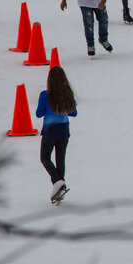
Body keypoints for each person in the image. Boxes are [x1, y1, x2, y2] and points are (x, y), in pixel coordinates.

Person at [36, 66, 78, 204]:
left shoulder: (45, 95)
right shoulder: (68, 94)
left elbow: (39, 113)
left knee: (45, 158)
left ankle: (58, 182)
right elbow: (73, 113)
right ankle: (61, 188)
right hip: (64, 130)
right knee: (60, 160)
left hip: (50, 131)